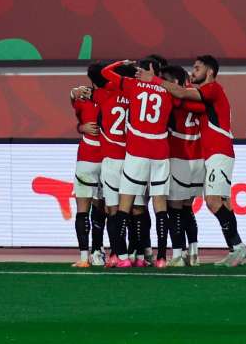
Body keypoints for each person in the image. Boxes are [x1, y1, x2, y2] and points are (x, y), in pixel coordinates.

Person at [136, 55, 246, 267]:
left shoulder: (213, 89)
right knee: (224, 203)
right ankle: (235, 248)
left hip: (218, 152)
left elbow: (180, 93)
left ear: (210, 72)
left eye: (197, 68)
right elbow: (183, 101)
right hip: (214, 154)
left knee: (213, 201)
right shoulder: (205, 97)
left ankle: (238, 245)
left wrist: (153, 80)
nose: (193, 71)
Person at [101, 59, 176, 268]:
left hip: (137, 151)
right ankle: (161, 258)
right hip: (160, 152)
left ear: (146, 69)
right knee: (160, 208)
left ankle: (121, 257)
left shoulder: (132, 84)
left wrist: (121, 62)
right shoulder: (168, 89)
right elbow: (183, 93)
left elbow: (105, 73)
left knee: (124, 206)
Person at [160, 65, 204, 267]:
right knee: (187, 208)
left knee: (175, 209)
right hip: (198, 158)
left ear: (175, 82)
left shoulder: (173, 99)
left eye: (165, 80)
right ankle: (193, 253)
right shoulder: (198, 97)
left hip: (179, 156)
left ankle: (177, 255)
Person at [69, 63, 107, 267]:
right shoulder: (113, 98)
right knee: (100, 208)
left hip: (87, 158)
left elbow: (74, 101)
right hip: (107, 159)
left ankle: (84, 258)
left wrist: (81, 127)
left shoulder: (83, 97)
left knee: (83, 209)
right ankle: (98, 253)